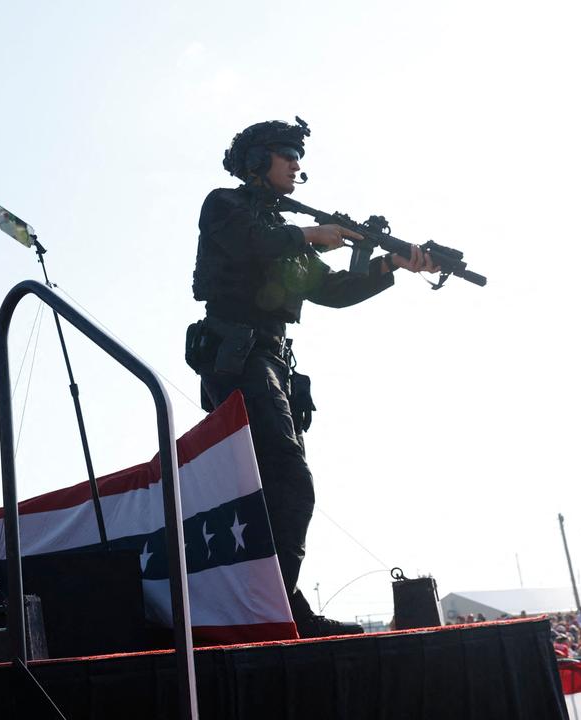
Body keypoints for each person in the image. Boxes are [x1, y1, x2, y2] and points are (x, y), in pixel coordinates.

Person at [187, 117, 438, 637]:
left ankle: (279, 603)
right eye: (286, 155)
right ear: (258, 162)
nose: (297, 165)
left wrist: (390, 265)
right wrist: (309, 234)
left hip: (271, 361)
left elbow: (335, 292)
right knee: (290, 483)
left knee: (274, 489)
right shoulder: (225, 207)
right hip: (239, 356)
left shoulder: (286, 236)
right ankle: (275, 609)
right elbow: (252, 242)